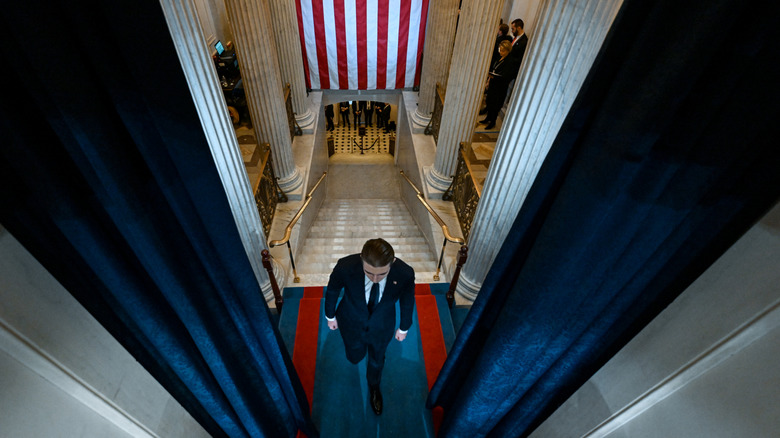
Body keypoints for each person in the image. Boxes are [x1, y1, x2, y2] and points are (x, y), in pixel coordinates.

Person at [325, 238, 415, 416]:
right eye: (369, 273)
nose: (375, 279)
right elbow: (333, 289)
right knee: (354, 352)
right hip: (350, 320)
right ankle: (355, 355)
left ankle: (374, 386)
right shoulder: (345, 266)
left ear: (392, 263)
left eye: (381, 274)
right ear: (361, 260)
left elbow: (407, 300)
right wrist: (330, 315)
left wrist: (404, 327)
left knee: (377, 359)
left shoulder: (405, 273)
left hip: (382, 326)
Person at [480, 40, 513, 130]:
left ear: (508, 50)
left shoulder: (509, 61)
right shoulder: (500, 57)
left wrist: (493, 77)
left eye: (503, 50)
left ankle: (492, 121)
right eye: (500, 50)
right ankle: (487, 118)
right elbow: (494, 69)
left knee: (495, 105)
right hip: (493, 85)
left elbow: (505, 76)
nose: (500, 52)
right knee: (489, 101)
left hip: (500, 87)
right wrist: (489, 80)